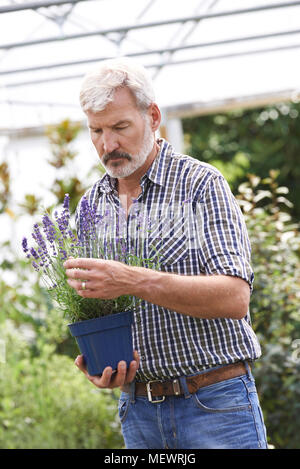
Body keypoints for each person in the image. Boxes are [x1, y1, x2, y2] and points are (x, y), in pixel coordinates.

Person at [64, 58, 268, 449]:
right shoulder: (93, 204)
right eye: (97, 131)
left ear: (153, 116)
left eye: (120, 127)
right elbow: (95, 311)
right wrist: (99, 363)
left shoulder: (200, 184)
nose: (108, 145)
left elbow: (235, 297)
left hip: (216, 407)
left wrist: (133, 279)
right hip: (138, 413)